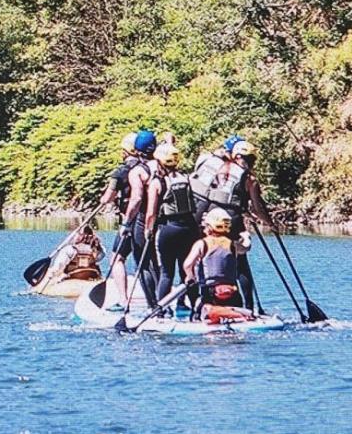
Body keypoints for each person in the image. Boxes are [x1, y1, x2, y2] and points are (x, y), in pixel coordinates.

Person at [189, 138, 271, 310]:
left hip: (210, 216)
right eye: (250, 160)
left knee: (207, 258)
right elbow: (258, 207)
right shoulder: (249, 178)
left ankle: (204, 300)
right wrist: (270, 223)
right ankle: (248, 306)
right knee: (241, 263)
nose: (250, 163)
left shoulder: (218, 167)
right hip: (230, 219)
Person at [144, 141, 200, 314]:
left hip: (170, 228)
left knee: (167, 273)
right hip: (190, 228)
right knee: (187, 271)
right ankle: (195, 310)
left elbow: (151, 212)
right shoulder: (186, 178)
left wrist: (148, 230)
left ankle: (160, 310)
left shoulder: (157, 182)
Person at [183, 208, 254, 323]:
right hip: (232, 293)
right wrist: (247, 237)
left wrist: (190, 277)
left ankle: (208, 313)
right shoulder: (233, 244)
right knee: (238, 307)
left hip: (210, 294)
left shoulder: (201, 244)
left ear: (210, 227)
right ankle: (236, 313)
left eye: (206, 226)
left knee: (199, 307)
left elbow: (187, 264)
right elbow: (246, 248)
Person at [113, 129, 157, 309]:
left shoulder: (129, 171)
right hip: (158, 222)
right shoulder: (161, 167)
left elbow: (136, 199)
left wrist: (126, 223)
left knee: (118, 259)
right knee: (155, 264)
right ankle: (160, 303)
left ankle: (126, 301)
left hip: (136, 220)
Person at [35, 224, 104, 290]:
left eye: (75, 234)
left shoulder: (69, 250)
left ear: (79, 236)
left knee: (50, 270)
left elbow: (58, 268)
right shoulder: (99, 250)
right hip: (91, 277)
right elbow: (100, 257)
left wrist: (49, 277)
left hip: (72, 277)